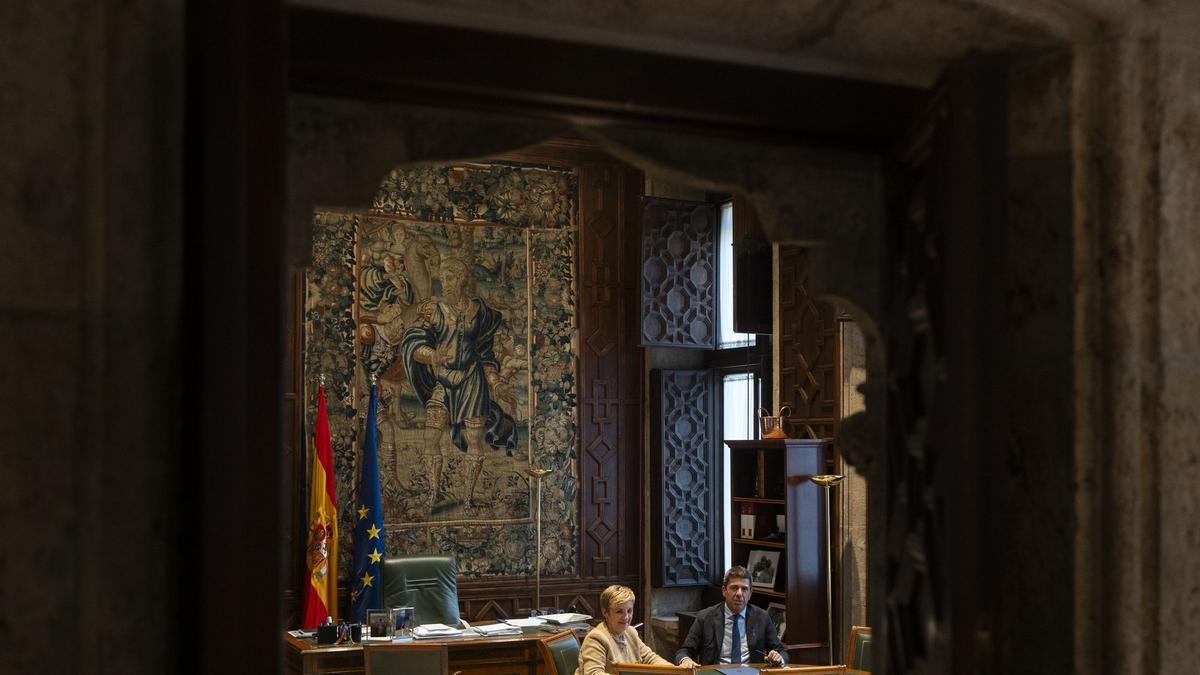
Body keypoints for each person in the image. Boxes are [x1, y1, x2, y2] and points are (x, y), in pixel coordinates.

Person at [401, 258, 517, 508]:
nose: (446, 285)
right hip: (444, 380)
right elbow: (413, 345)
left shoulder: (480, 313)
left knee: (475, 440)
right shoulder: (435, 311)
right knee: (431, 436)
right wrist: (432, 355)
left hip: (472, 380)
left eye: (450, 279)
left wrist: (496, 383)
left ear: (462, 280)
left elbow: (486, 354)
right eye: (443, 280)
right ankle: (434, 492)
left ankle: (468, 497)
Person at [675, 566, 787, 667]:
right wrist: (686, 660)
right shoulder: (705, 617)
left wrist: (778, 658)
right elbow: (684, 651)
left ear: (750, 594)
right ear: (724, 591)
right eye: (734, 588)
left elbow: (781, 651)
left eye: (744, 589)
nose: (739, 594)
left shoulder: (762, 617)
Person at [577, 585, 671, 675]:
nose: (626, 617)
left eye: (629, 611)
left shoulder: (630, 632)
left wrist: (674, 671)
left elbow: (649, 658)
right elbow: (594, 673)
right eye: (619, 611)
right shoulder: (596, 638)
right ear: (605, 612)